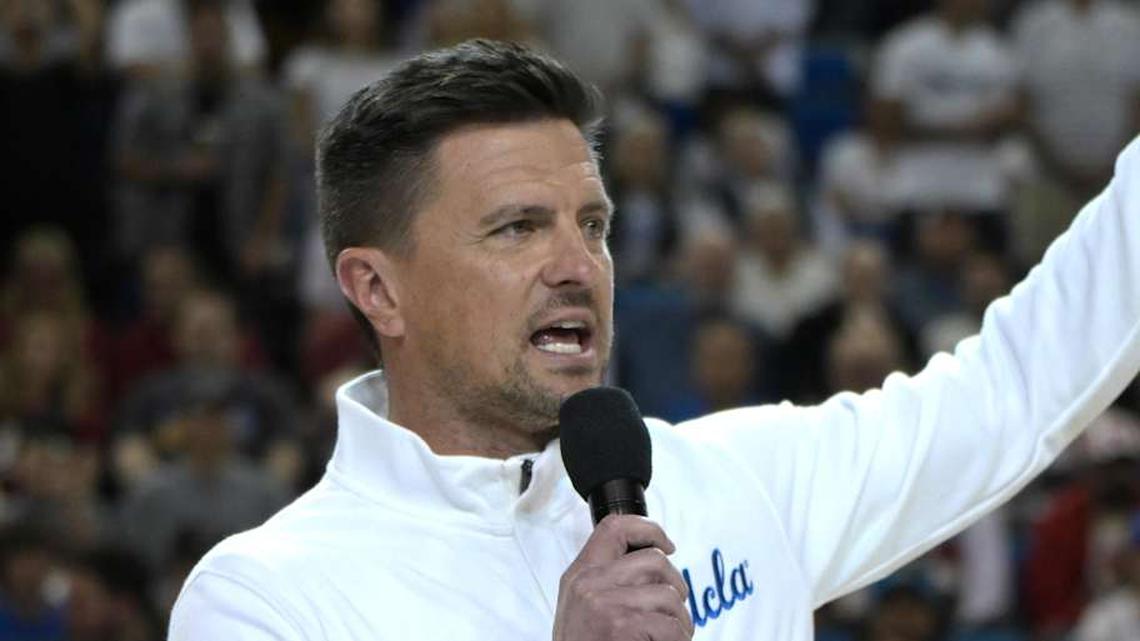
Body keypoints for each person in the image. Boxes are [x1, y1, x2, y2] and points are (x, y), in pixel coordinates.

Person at [170, 39, 1140, 640]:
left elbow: (1013, 389)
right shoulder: (269, 598)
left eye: (590, 224)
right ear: (377, 287)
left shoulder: (731, 477)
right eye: (518, 227)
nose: (576, 264)